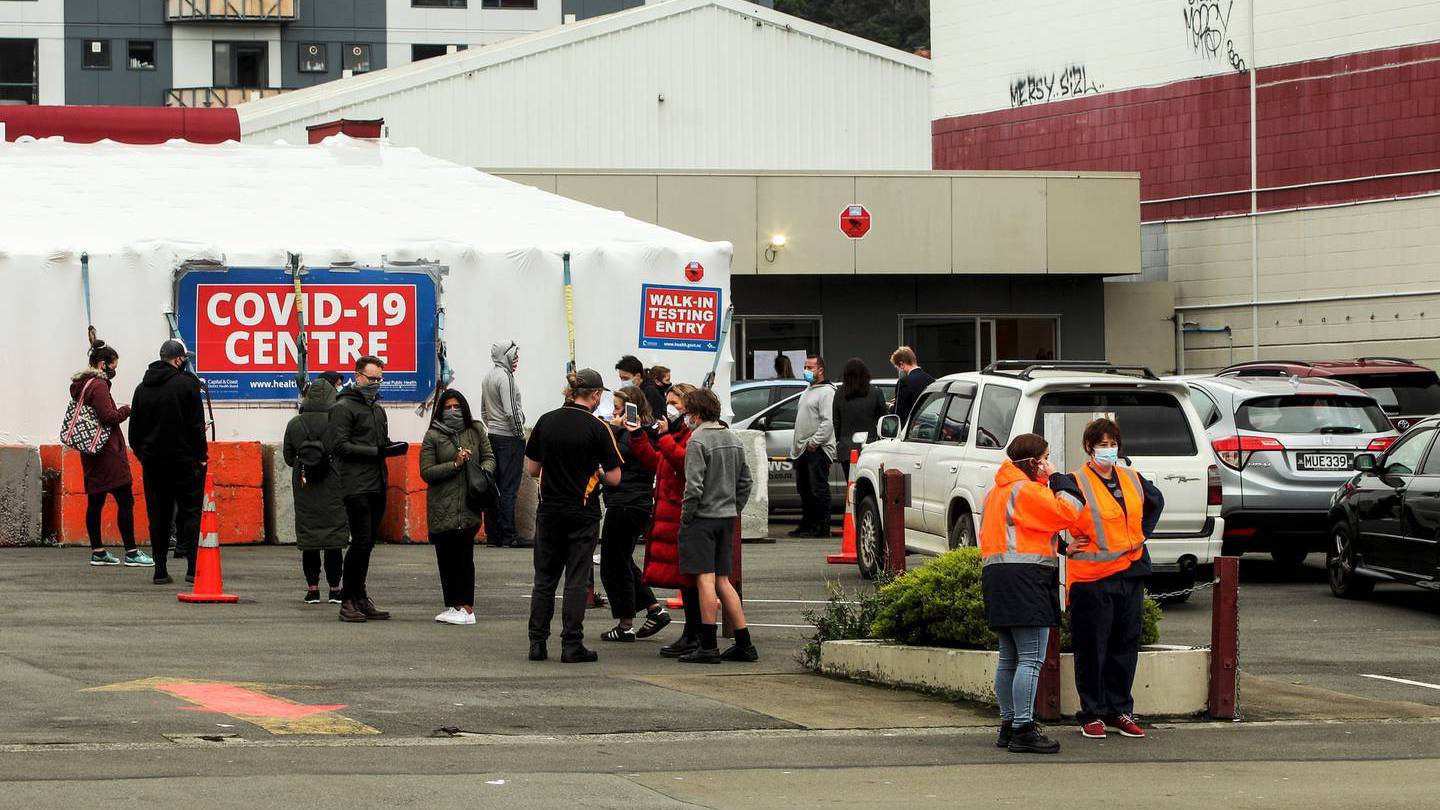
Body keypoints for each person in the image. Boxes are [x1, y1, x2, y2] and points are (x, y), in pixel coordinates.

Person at [979, 433, 1085, 755]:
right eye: (1046, 458)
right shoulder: (1026, 489)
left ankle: (1009, 724)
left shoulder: (997, 492)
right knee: (1031, 658)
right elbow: (1069, 512)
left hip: (998, 577)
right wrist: (1057, 477)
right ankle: (1024, 728)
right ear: (1034, 462)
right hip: (1027, 579)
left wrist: (1062, 547)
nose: (1048, 463)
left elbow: (1024, 529)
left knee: (1009, 656)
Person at [1066, 418, 1165, 741]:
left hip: (1131, 570)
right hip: (1092, 577)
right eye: (1102, 445)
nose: (1108, 450)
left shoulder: (1131, 477)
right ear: (1088, 448)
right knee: (1092, 646)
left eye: (1113, 445)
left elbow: (1156, 502)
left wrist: (1141, 535)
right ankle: (1092, 713)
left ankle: (1119, 709)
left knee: (1125, 644)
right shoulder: (1075, 481)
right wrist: (1062, 545)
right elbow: (1048, 515)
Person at [523, 369, 624, 663]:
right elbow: (615, 477)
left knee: (544, 579)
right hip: (582, 511)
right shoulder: (597, 428)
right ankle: (571, 644)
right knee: (576, 579)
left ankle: (537, 643)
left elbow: (532, 469)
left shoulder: (546, 421)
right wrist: (597, 473)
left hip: (550, 509)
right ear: (595, 395)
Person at [675, 388, 757, 664]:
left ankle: (707, 645)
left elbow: (693, 485)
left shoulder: (697, 442)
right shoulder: (733, 438)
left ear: (696, 414)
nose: (685, 418)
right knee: (724, 580)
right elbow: (746, 481)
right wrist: (735, 508)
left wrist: (687, 516)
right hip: (726, 518)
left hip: (703, 519)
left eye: (686, 413)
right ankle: (744, 642)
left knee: (705, 580)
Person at [328, 355, 405, 623]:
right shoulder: (343, 407)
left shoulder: (376, 409)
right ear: (358, 376)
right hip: (356, 484)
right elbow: (338, 446)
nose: (376, 383)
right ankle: (347, 599)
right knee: (360, 542)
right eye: (372, 379)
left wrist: (391, 447)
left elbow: (379, 442)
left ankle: (359, 596)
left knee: (367, 543)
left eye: (380, 379)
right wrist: (376, 451)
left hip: (377, 482)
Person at [629, 382, 702, 657]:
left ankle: (695, 634)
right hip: (669, 511)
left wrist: (665, 437)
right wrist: (639, 437)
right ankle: (691, 633)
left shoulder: (690, 434)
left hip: (681, 512)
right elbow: (658, 461)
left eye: (675, 403)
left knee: (691, 579)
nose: (670, 408)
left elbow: (683, 461)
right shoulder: (678, 433)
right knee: (686, 580)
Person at [128, 339, 207, 585]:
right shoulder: (187, 386)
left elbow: (134, 434)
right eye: (185, 359)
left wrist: (146, 456)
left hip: (154, 464)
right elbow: (196, 427)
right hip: (185, 462)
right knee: (191, 513)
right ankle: (193, 569)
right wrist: (201, 456)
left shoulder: (142, 388)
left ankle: (160, 570)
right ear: (178, 360)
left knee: (158, 516)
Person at [71, 336, 152, 569]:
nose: (114, 371)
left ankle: (98, 552)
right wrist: (126, 410)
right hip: (107, 453)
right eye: (113, 366)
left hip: (91, 452)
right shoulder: (98, 385)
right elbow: (108, 417)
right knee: (125, 500)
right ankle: (132, 552)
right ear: (102, 364)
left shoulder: (83, 385)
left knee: (95, 502)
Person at [597, 387, 670, 642]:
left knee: (613, 564)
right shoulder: (641, 433)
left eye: (619, 407)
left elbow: (616, 457)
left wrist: (616, 430)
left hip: (628, 502)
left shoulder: (635, 435)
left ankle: (626, 622)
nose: (614, 412)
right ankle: (653, 609)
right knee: (622, 559)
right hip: (630, 502)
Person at [420, 389, 496, 626]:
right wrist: (455, 464)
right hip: (442, 506)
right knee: (446, 557)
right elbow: (427, 472)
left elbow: (490, 458)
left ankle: (466, 607)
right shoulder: (433, 435)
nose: (453, 411)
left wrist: (480, 471)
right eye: (448, 407)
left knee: (465, 557)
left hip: (469, 505)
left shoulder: (476, 430)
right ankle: (453, 604)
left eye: (457, 407)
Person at [282, 372, 349, 604]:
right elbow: (345, 452)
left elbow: (289, 457)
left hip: (305, 486)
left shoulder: (294, 423)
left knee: (309, 541)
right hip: (334, 486)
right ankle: (335, 589)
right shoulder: (338, 421)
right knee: (334, 541)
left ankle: (312, 589)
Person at [482, 341, 531, 549]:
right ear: (505, 356)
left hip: (493, 435)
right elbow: (511, 411)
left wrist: (493, 427)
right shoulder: (506, 378)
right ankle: (509, 535)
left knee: (494, 488)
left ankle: (493, 535)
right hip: (509, 439)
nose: (517, 360)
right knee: (509, 488)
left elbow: (484, 411)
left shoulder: (488, 377)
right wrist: (520, 435)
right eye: (514, 356)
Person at [789, 355, 836, 538]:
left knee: (818, 489)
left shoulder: (827, 392)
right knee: (805, 489)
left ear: (820, 370)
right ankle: (807, 524)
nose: (806, 371)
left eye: (810, 367)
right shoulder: (808, 390)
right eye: (805, 367)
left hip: (817, 450)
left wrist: (815, 442)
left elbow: (828, 421)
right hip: (803, 449)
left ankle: (822, 526)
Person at [832, 357, 889, 480]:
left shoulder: (839, 394)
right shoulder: (875, 392)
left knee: (851, 482)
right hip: (870, 446)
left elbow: (836, 422)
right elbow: (883, 420)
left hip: (846, 448)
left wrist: (838, 440)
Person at [890, 346, 936, 425]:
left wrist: (891, 406)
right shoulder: (931, 380)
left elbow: (899, 412)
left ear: (901, 364)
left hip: (911, 428)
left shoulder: (904, 381)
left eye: (897, 367)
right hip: (930, 425)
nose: (899, 370)